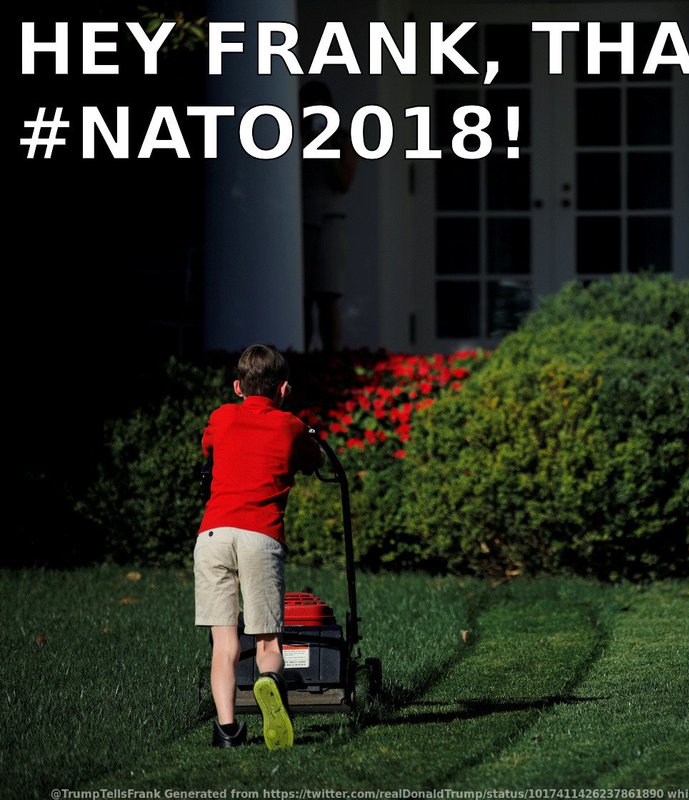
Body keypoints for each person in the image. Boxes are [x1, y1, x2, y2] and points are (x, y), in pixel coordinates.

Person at [194, 344, 323, 748]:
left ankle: (227, 730)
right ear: (284, 389)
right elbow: (313, 460)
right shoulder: (290, 425)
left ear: (237, 386)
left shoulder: (221, 416)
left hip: (212, 535)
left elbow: (208, 448)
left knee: (225, 641)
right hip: (259, 536)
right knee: (268, 639)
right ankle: (268, 680)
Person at [300, 79, 357, 352]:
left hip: (330, 221)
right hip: (298, 224)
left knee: (328, 295)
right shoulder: (291, 139)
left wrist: (325, 147)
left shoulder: (342, 139)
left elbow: (345, 182)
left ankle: (331, 359)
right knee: (301, 297)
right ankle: (297, 354)